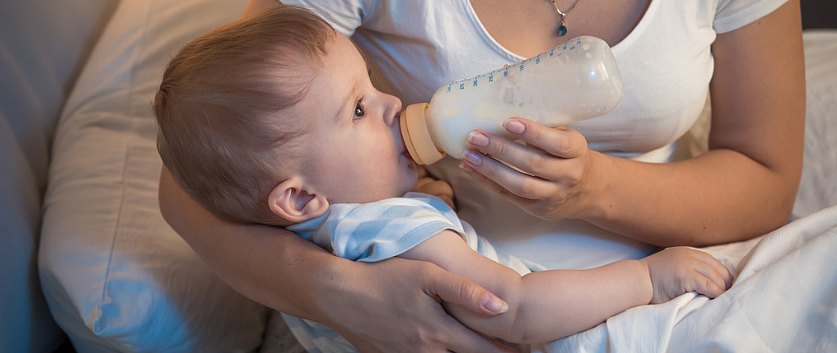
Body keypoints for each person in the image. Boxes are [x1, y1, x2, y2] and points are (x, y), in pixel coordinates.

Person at [157, 0, 805, 351]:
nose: (389, 102)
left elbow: (767, 175)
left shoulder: (378, 213)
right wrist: (648, 276)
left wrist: (596, 190)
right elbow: (515, 309)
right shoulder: (390, 225)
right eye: (359, 106)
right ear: (299, 196)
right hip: (586, 320)